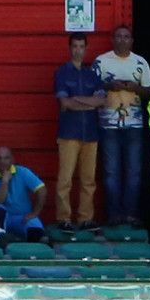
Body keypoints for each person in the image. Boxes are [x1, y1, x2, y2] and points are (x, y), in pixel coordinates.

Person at [95, 26, 150, 227]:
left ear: (132, 40)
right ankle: (114, 216)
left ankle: (130, 214)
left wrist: (135, 88)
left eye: (126, 37)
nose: (122, 40)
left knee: (134, 172)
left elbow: (149, 90)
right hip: (108, 124)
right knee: (111, 172)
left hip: (134, 124)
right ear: (112, 39)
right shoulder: (101, 61)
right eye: (119, 36)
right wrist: (109, 86)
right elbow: (90, 85)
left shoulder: (140, 62)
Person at [53, 33, 105, 228]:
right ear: (70, 48)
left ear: (86, 48)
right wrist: (89, 102)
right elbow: (65, 103)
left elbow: (101, 101)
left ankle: (85, 218)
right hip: (68, 133)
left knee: (88, 180)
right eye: (75, 46)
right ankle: (64, 218)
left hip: (90, 133)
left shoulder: (92, 74)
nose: (78, 50)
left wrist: (77, 99)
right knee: (65, 179)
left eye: (81, 46)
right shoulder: (62, 73)